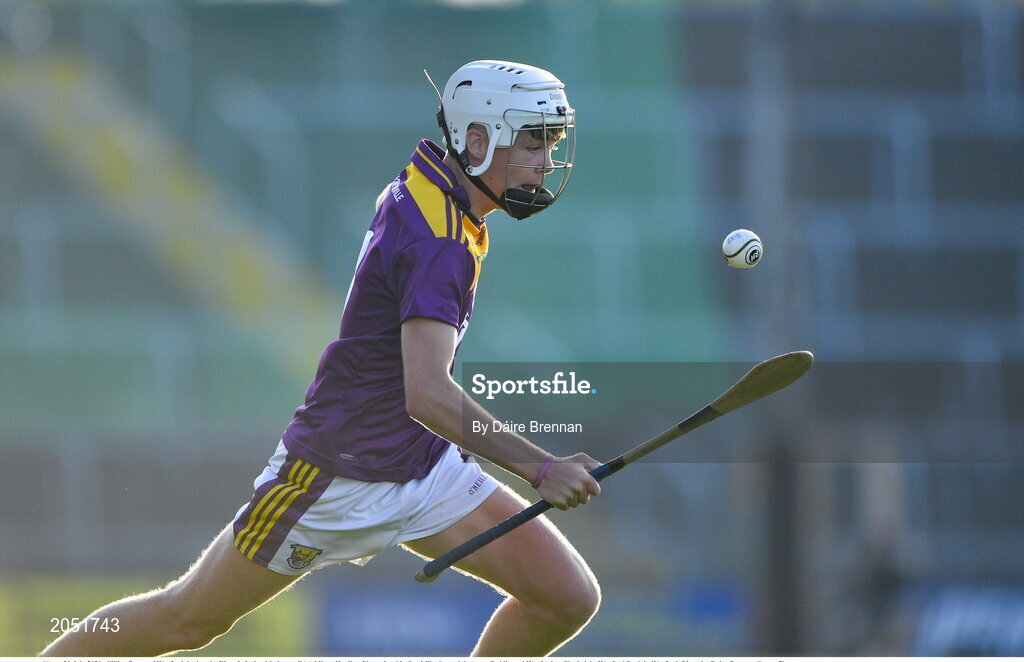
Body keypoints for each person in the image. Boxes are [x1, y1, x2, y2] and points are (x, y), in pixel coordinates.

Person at [41, 60, 601, 657]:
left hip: (422, 466)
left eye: (551, 142)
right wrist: (540, 468)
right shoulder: (440, 240)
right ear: (478, 139)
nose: (544, 160)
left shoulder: (434, 186)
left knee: (566, 596)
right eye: (532, 141)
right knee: (185, 621)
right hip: (336, 475)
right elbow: (428, 395)